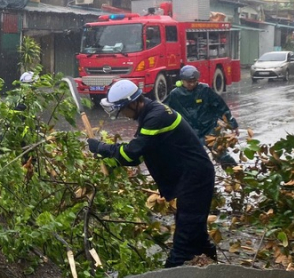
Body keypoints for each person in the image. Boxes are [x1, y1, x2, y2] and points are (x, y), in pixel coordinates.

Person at [86, 80, 217, 268]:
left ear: (133, 103)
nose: (123, 114)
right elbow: (135, 158)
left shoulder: (156, 117)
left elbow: (132, 153)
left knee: (182, 244)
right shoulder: (150, 113)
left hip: (195, 180)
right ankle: (219, 271)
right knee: (197, 235)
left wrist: (102, 147)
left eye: (123, 109)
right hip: (190, 177)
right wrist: (110, 158)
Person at [165, 65, 238, 166]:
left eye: (194, 81)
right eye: (188, 82)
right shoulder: (175, 95)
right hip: (190, 132)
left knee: (221, 155)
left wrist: (232, 124)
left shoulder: (204, 90)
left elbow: (220, 107)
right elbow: (163, 112)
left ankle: (235, 174)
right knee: (193, 160)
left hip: (210, 129)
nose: (191, 84)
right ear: (182, 80)